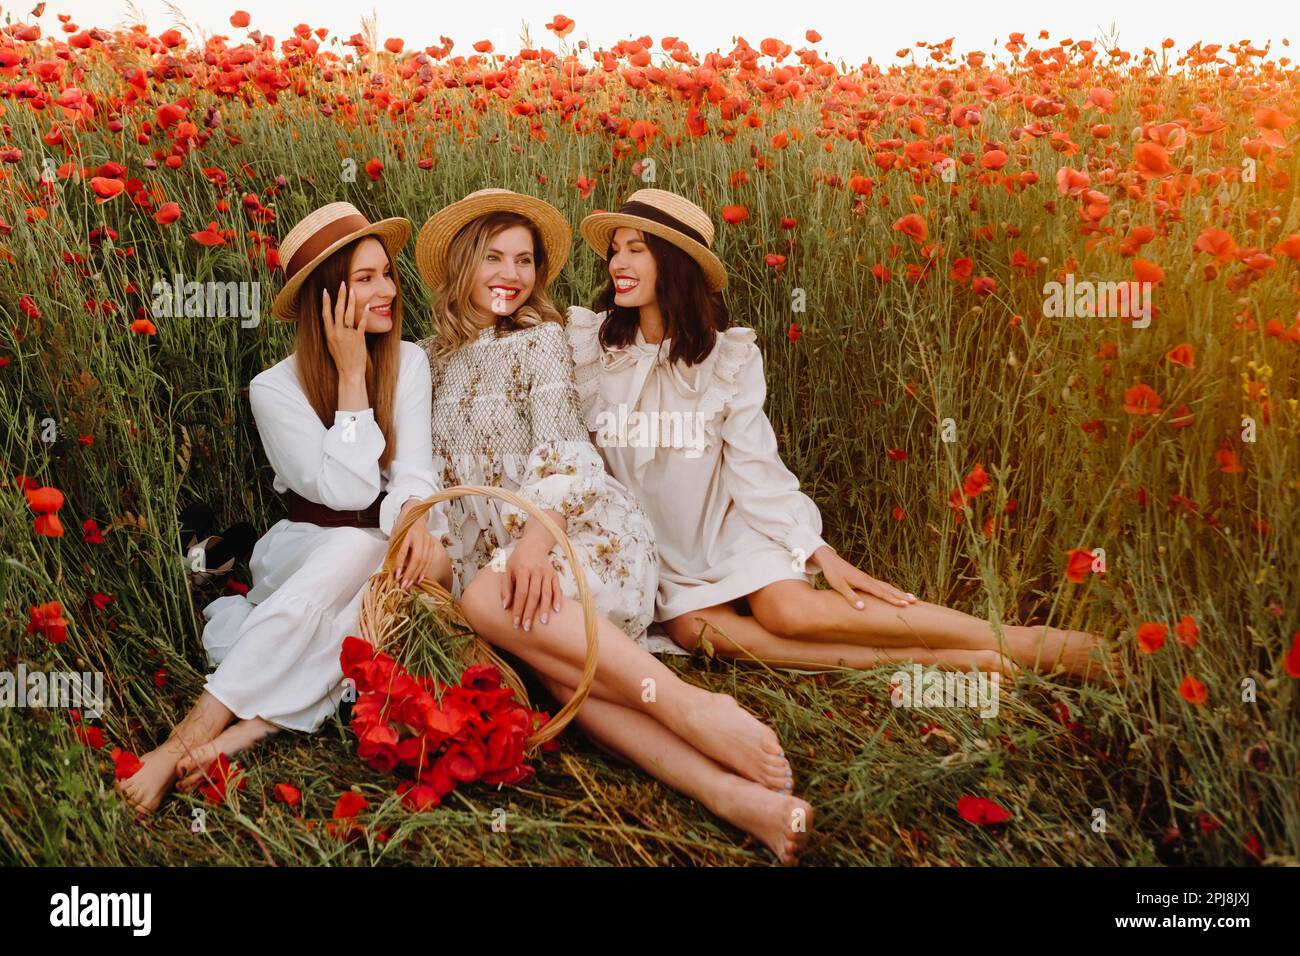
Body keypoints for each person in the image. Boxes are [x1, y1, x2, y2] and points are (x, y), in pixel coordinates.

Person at [567, 188, 1118, 680]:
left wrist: (817, 550)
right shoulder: (590, 346)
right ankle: (948, 661)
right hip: (654, 550)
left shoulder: (727, 358)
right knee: (706, 636)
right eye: (615, 248)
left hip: (727, 531)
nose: (618, 261)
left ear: (675, 262)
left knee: (792, 611)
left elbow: (755, 467)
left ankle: (1022, 642)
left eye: (636, 248)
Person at [414, 189, 811, 863]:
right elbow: (434, 486)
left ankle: (691, 707)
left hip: (576, 534)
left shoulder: (538, 342)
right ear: (461, 265)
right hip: (505, 578)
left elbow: (570, 453)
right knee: (569, 684)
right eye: (494, 258)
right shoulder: (426, 361)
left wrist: (535, 538)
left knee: (492, 597)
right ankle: (735, 798)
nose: (511, 275)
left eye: (525, 261)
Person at [116, 202, 452, 814]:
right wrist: (352, 379)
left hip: (386, 542)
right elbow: (347, 493)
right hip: (308, 548)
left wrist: (415, 523)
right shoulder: (274, 387)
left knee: (375, 579)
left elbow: (413, 474)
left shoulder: (411, 364)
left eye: (387, 273)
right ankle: (188, 738)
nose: (388, 290)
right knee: (354, 549)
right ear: (327, 299)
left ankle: (247, 729)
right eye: (366, 278)